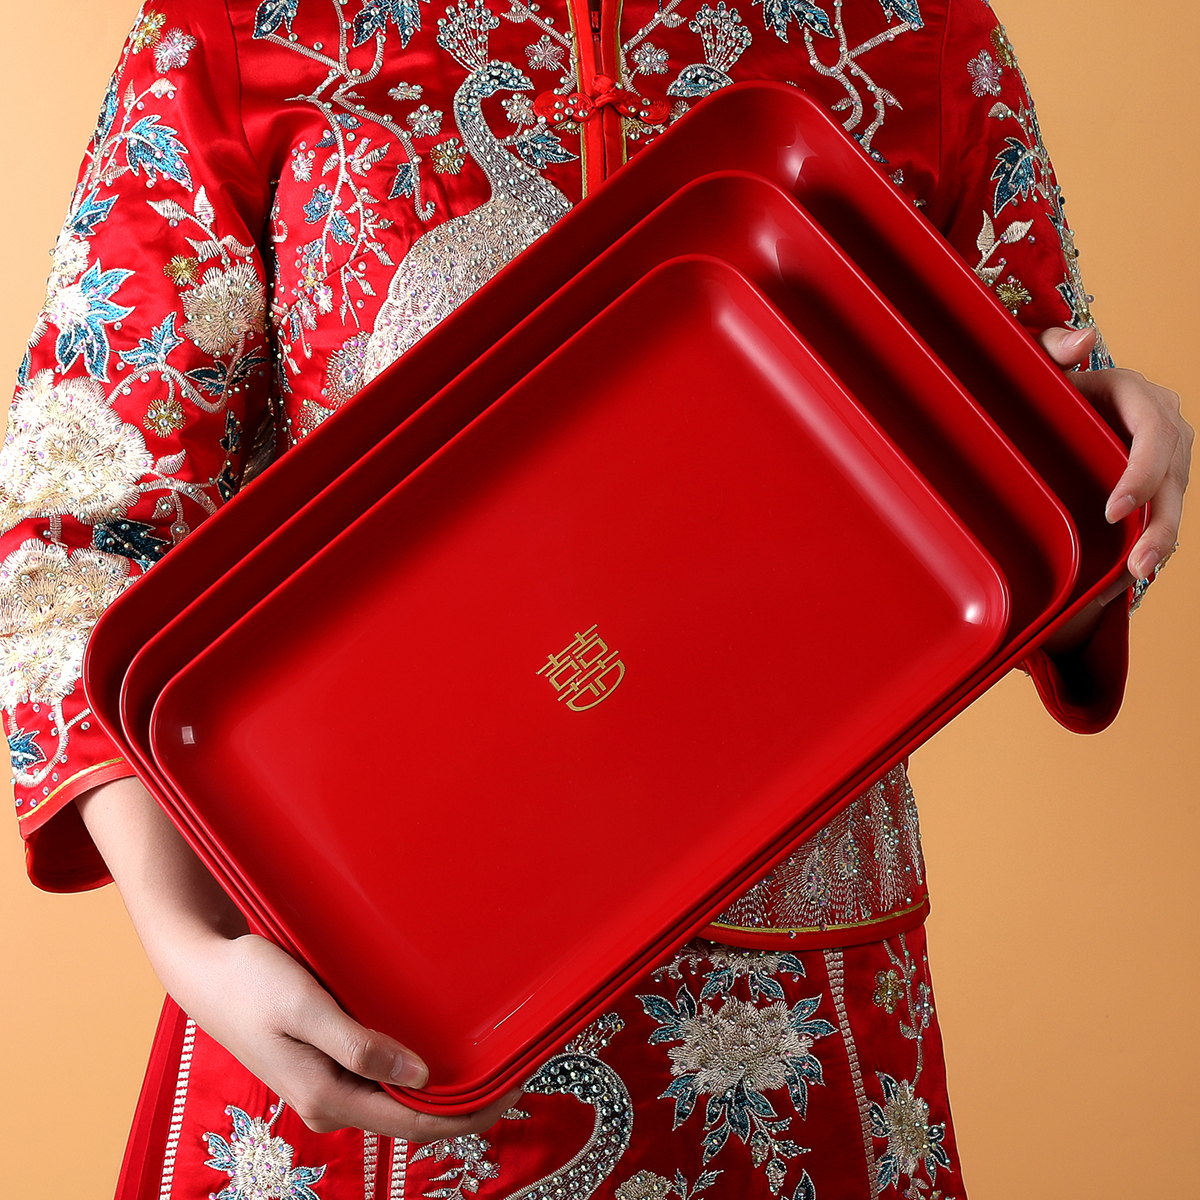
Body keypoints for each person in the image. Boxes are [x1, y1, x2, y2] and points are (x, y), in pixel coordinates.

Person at [2, 0, 1190, 1197]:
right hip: (357, 988)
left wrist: (1110, 467)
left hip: (787, 1026)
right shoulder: (241, 27)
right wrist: (190, 943)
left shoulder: (914, 30)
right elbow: (76, 523)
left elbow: (1022, 524)